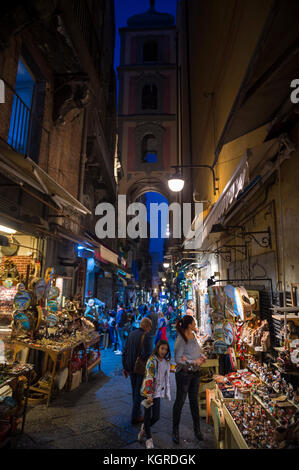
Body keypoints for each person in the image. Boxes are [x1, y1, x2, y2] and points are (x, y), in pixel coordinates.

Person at [172, 315, 207, 445]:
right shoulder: (181, 339)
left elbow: (197, 351)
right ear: (189, 325)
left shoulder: (193, 336)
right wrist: (193, 362)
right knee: (180, 402)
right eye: (194, 323)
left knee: (194, 402)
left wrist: (202, 356)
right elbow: (178, 359)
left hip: (195, 374)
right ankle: (175, 431)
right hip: (184, 375)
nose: (195, 324)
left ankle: (197, 430)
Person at [138, 339, 171, 449]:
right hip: (149, 392)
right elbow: (149, 376)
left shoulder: (165, 361)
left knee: (156, 417)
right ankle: (148, 439)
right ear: (157, 348)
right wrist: (149, 395)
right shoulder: (152, 360)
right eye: (162, 348)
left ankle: (144, 428)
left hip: (157, 393)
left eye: (166, 349)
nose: (164, 351)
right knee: (147, 416)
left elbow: (166, 372)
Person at [122, 317, 153, 425]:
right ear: (147, 326)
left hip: (130, 367)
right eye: (150, 327)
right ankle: (135, 416)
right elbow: (147, 354)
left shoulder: (131, 334)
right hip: (139, 368)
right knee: (138, 392)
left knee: (135, 390)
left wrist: (125, 367)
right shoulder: (147, 336)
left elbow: (125, 350)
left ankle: (137, 413)